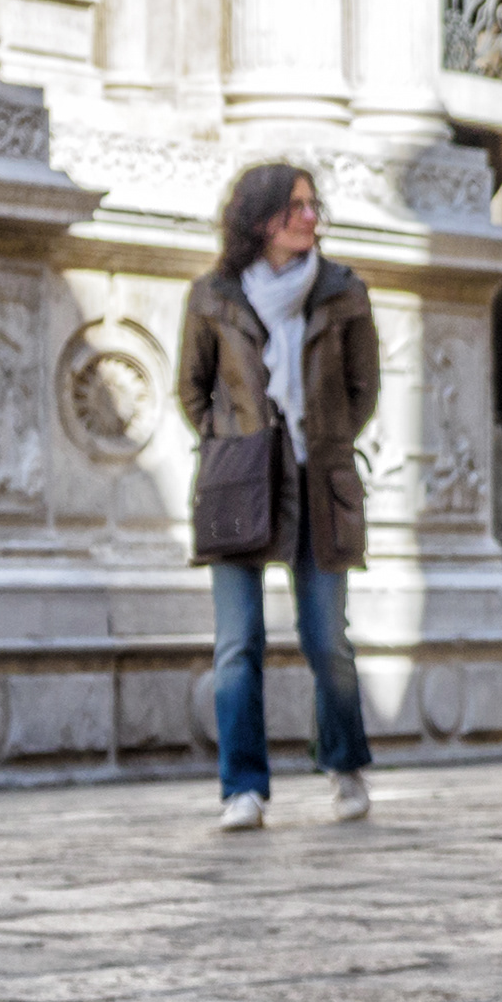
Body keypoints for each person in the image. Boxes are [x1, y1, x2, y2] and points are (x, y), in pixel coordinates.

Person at [178, 163, 380, 830]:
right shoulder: (213, 296)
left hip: (319, 479)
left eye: (313, 204)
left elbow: (363, 389)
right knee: (237, 642)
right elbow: (192, 389)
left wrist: (328, 438)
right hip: (238, 480)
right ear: (261, 217)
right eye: (296, 206)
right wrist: (231, 441)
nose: (310, 216)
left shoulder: (343, 291)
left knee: (327, 640)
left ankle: (344, 765)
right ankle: (243, 788)